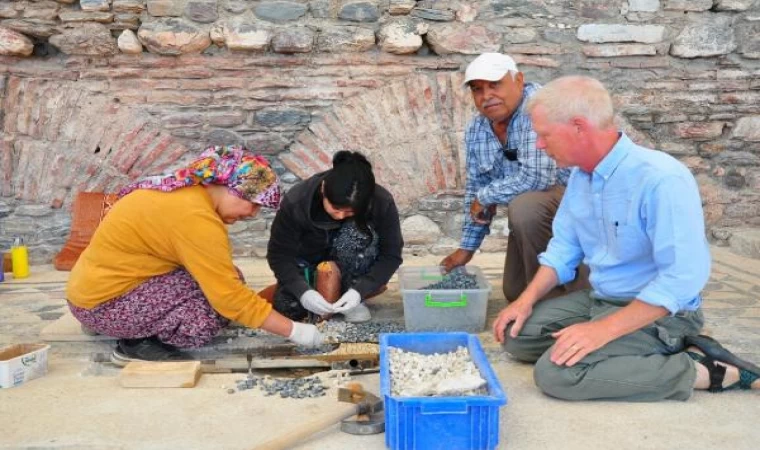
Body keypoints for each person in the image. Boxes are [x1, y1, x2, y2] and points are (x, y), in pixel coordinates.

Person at [493, 76, 760, 401]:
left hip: (664, 313)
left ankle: (705, 369)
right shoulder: (580, 177)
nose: (539, 145)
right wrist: (525, 301)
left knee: (558, 374)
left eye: (544, 135)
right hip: (602, 299)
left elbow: (682, 279)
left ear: (578, 126)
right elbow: (563, 249)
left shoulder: (661, 179)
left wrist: (602, 331)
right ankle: (629, 351)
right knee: (515, 335)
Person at [66, 145, 324, 365]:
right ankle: (134, 342)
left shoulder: (180, 192)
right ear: (230, 187)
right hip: (104, 303)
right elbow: (231, 299)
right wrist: (296, 332)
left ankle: (110, 324)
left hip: (89, 293)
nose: (253, 213)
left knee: (230, 277)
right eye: (254, 203)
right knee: (205, 318)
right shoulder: (195, 218)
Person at [439, 52, 587, 302]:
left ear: (518, 80)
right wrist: (466, 249)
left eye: (495, 85)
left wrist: (486, 196)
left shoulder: (539, 108)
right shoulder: (478, 129)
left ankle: (564, 299)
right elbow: (476, 189)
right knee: (513, 291)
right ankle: (544, 292)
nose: (486, 96)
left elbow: (538, 178)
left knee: (526, 205)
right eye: (477, 89)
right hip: (542, 222)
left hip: (580, 208)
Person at [266, 151, 403, 323]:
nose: (339, 216)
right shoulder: (297, 201)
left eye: (349, 211)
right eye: (335, 208)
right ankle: (316, 289)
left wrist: (359, 291)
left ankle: (350, 294)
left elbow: (391, 255)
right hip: (308, 263)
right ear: (323, 189)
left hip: (353, 265)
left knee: (357, 232)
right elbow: (279, 255)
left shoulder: (381, 201)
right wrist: (302, 292)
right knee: (288, 309)